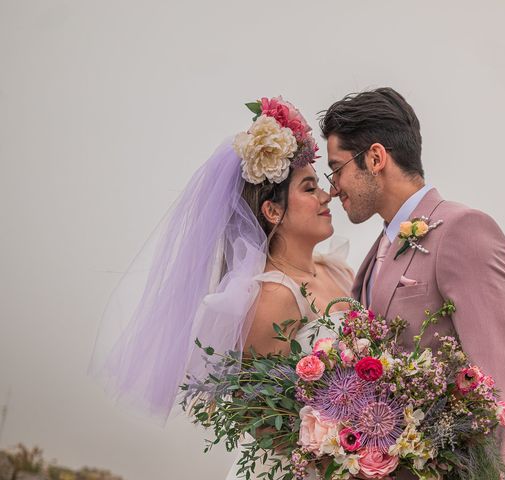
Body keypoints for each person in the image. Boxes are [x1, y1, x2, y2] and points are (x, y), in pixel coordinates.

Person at [88, 96, 353, 480]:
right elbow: (258, 418)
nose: (326, 196)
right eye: (310, 188)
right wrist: (345, 450)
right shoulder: (275, 297)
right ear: (272, 211)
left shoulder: (341, 271)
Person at [320, 87, 505, 479]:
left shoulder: (463, 229)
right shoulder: (381, 245)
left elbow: (500, 381)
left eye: (337, 168)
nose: (333, 188)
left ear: (376, 158)